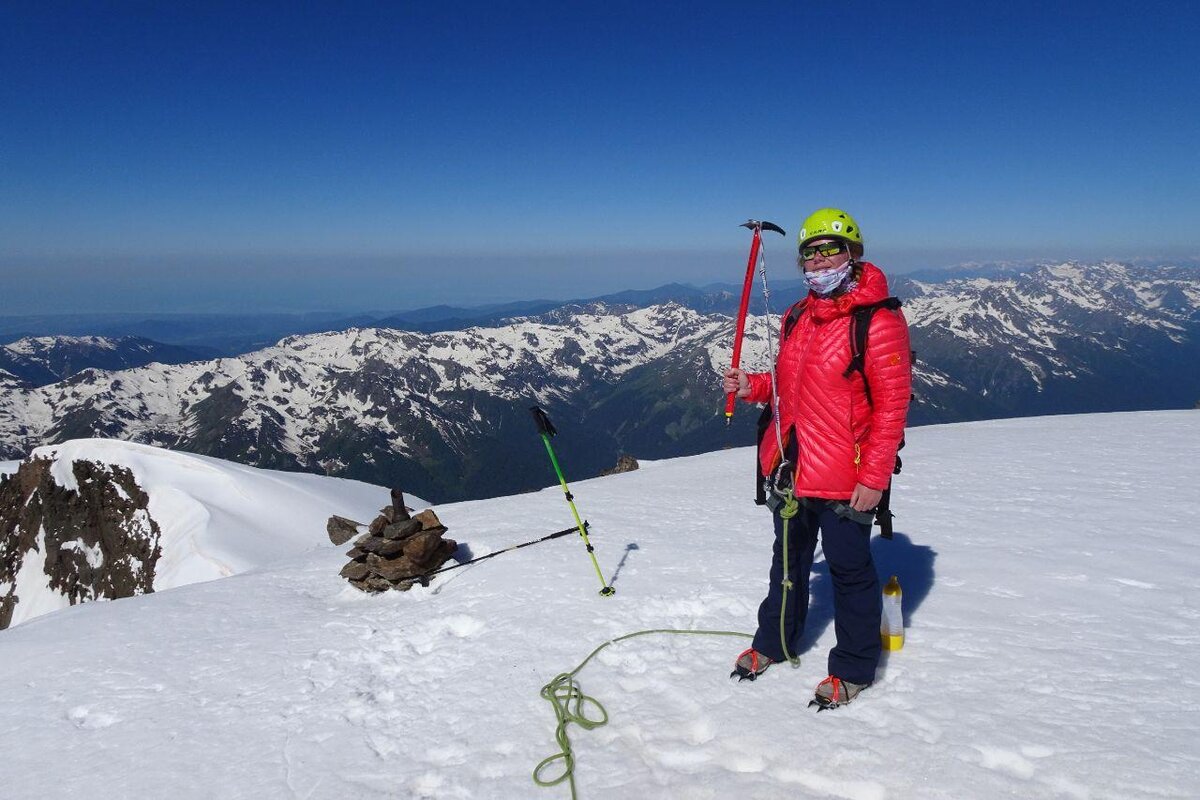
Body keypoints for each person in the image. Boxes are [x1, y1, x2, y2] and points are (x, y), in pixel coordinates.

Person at [723, 207, 912, 709]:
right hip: (791, 464)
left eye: (831, 249)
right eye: (810, 252)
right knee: (786, 561)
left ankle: (852, 668)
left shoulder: (878, 320)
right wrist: (752, 387)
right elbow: (791, 390)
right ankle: (774, 643)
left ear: (854, 254)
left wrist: (874, 477)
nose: (819, 260)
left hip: (846, 475)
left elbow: (893, 407)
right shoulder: (798, 316)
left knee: (849, 570)